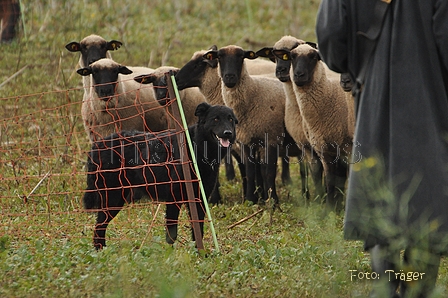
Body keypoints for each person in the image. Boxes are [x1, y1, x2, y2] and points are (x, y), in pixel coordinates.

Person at [316, 0, 448, 297]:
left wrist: (363, 68)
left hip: (372, 103)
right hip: (430, 106)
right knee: (425, 206)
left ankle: (385, 290)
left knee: (377, 201)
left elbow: (332, 40)